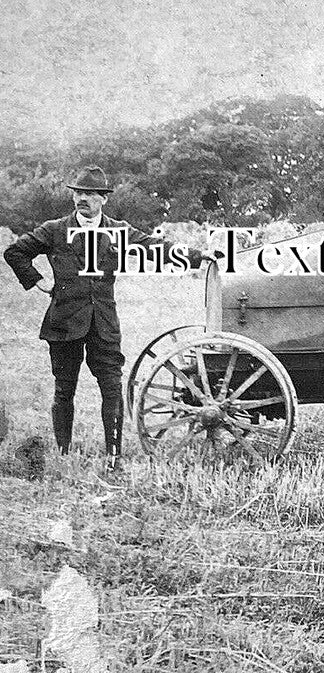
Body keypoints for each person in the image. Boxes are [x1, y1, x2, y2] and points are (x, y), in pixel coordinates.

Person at [3, 166, 206, 469]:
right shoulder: (55, 229)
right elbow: (15, 252)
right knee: (64, 388)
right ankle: (63, 452)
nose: (81, 199)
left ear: (103, 199)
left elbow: (155, 247)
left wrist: (197, 255)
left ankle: (114, 457)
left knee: (111, 386)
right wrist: (39, 281)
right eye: (78, 193)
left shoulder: (118, 230)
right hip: (64, 322)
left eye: (89, 194)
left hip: (103, 324)